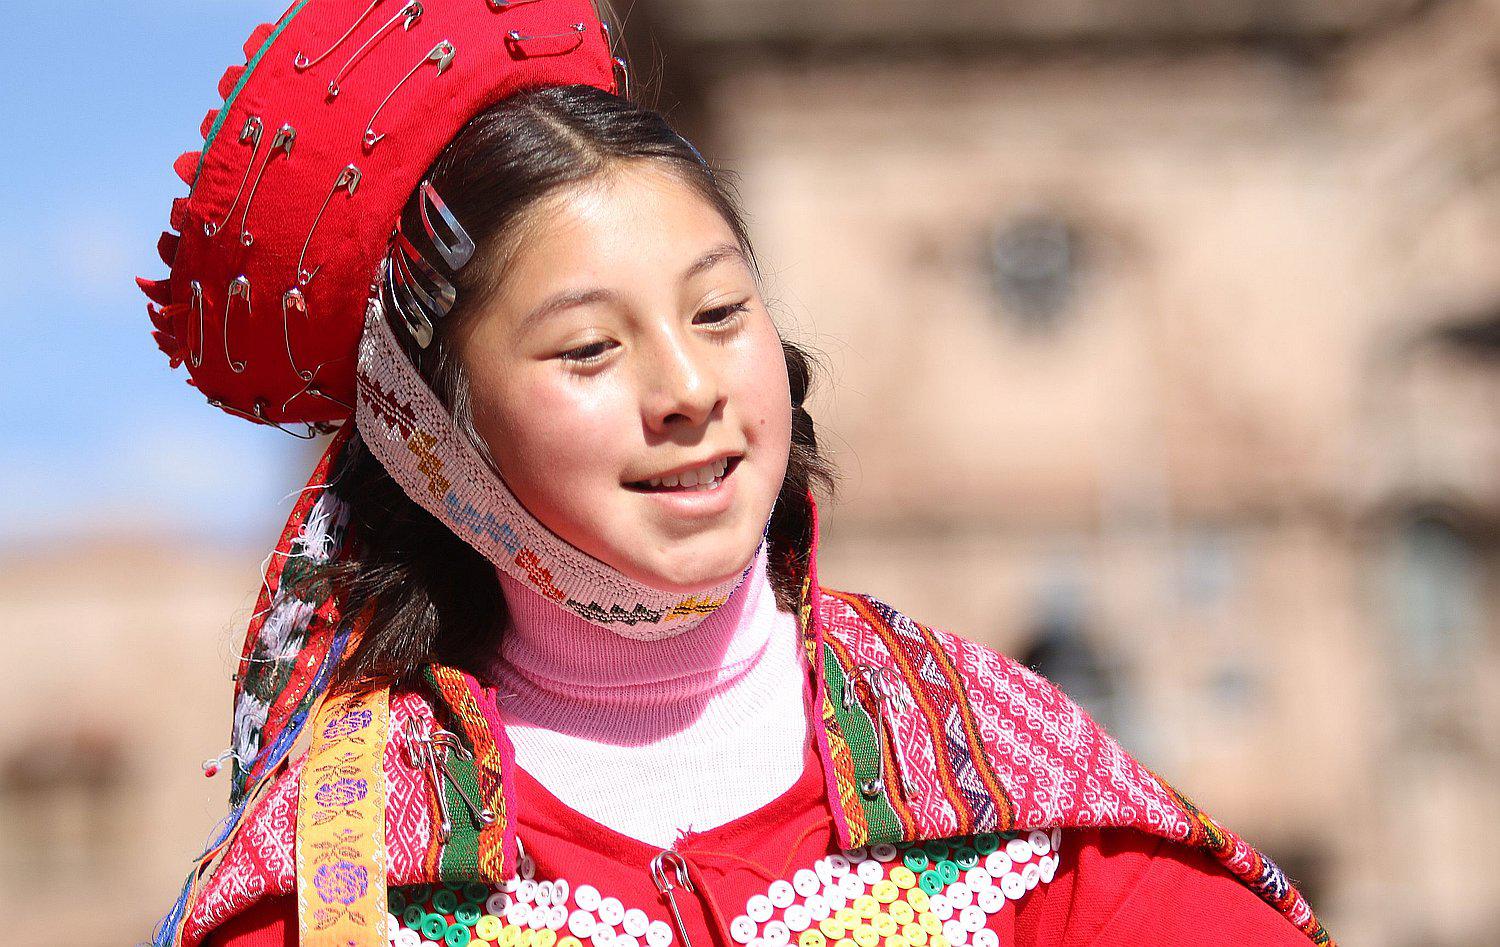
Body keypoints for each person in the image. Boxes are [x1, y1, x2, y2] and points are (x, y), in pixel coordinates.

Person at [136, 2, 1334, 945]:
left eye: (719, 311)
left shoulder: (1020, 798)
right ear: (434, 439)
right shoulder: (339, 891)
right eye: (589, 348)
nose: (689, 388)